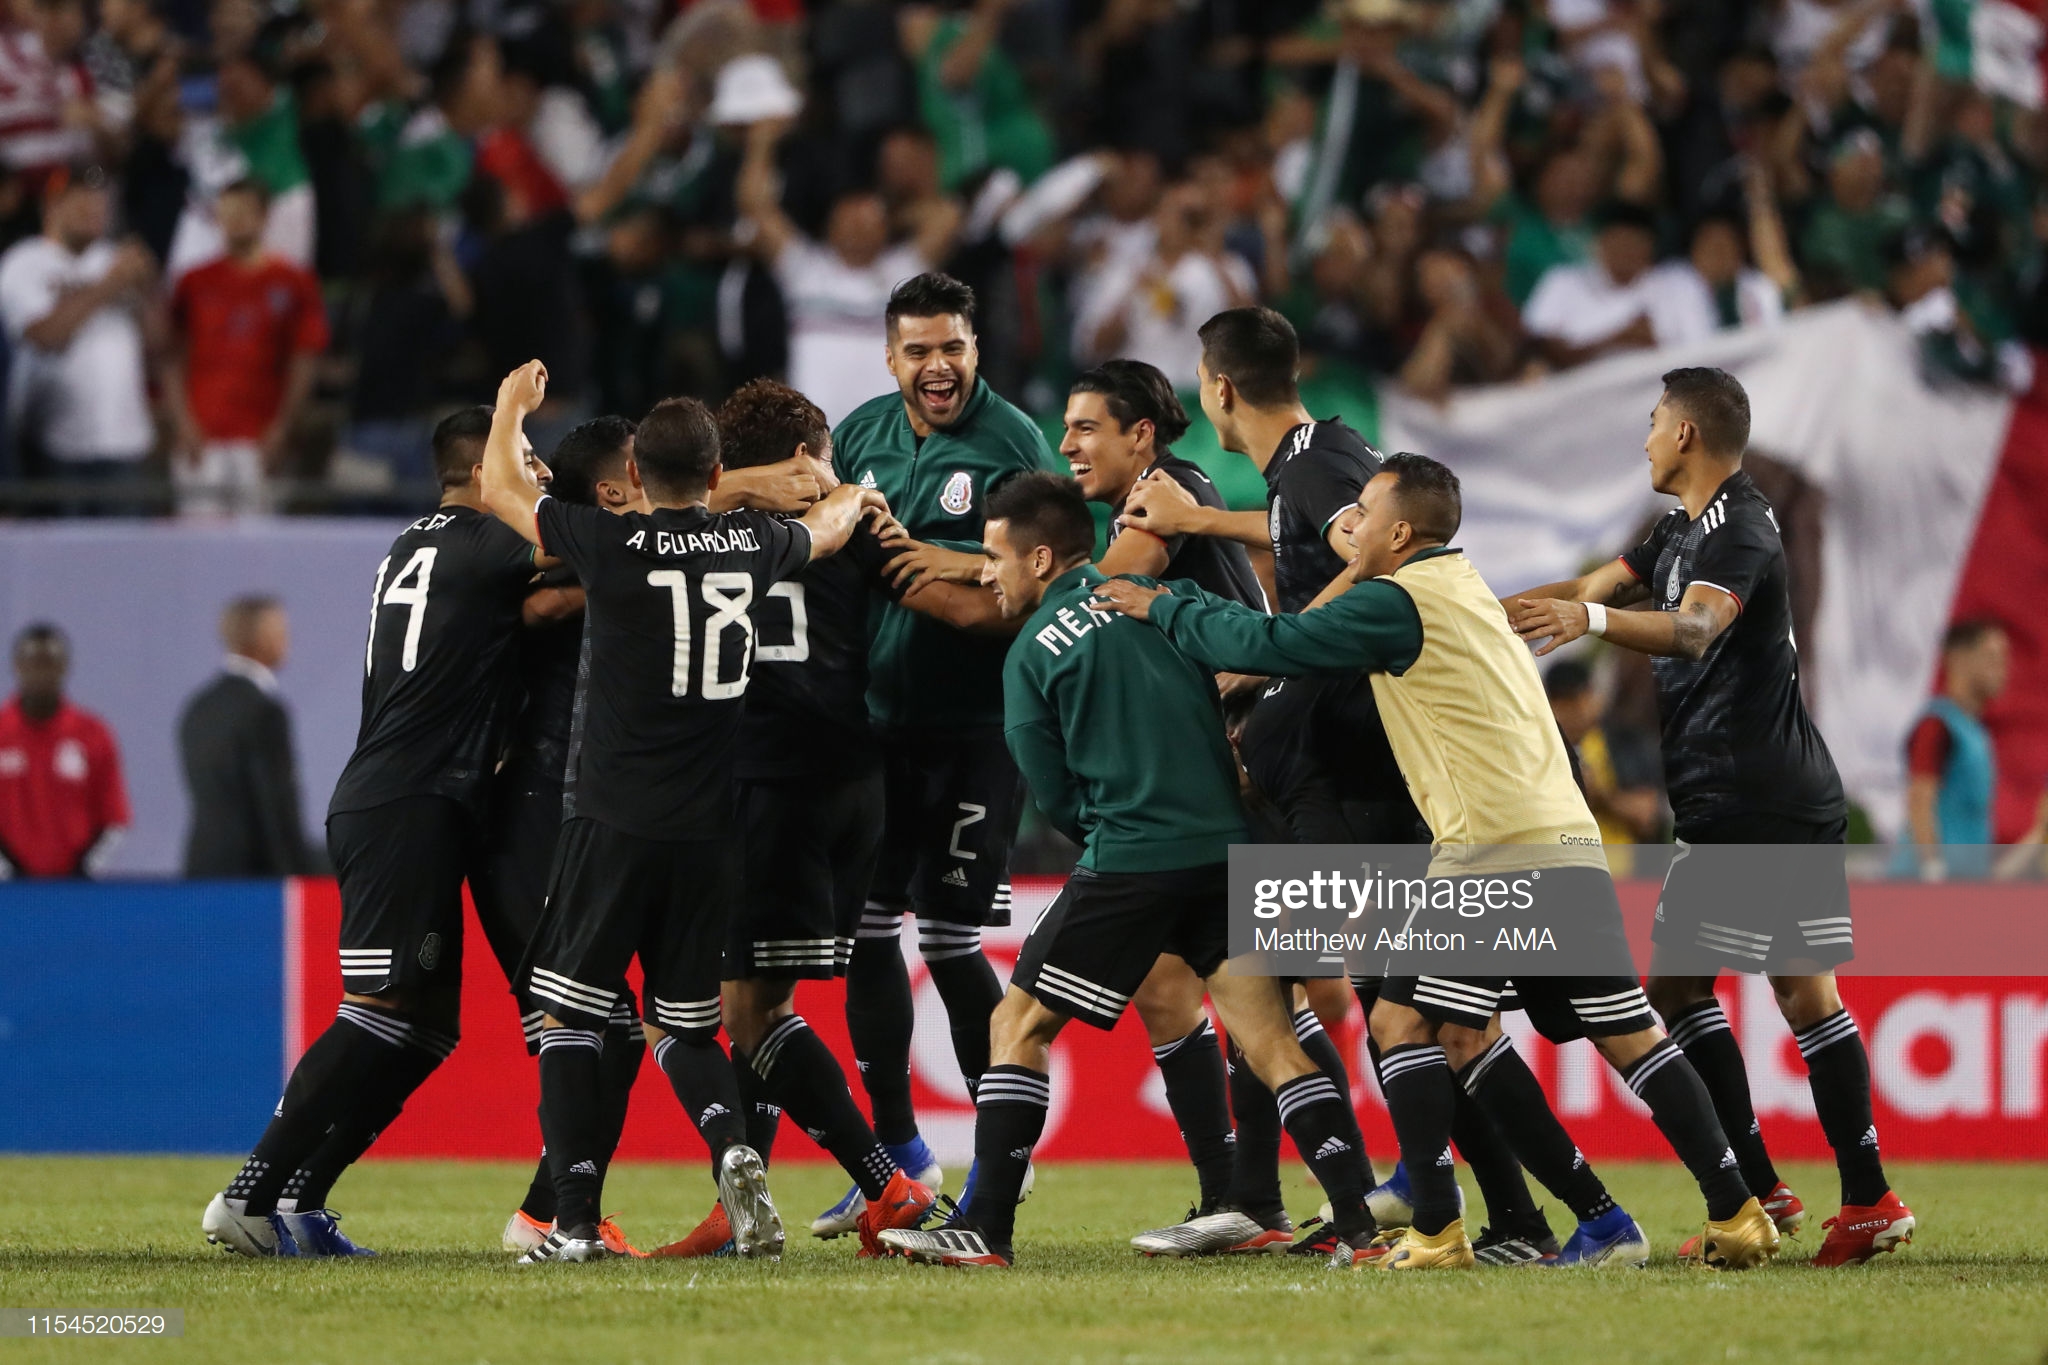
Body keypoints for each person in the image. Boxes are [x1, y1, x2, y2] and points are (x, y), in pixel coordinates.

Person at [1095, 454, 1778, 1272]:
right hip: (1557, 833)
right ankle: (1732, 1211)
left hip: (1492, 852)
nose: (1350, 529)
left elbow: (1273, 640)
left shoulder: (1397, 601)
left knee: (1401, 1023)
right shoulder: (1461, 583)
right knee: (1616, 1032)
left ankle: (1439, 1232)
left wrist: (1164, 606)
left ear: (1400, 530)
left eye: (1364, 514)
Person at [877, 473, 1374, 1269]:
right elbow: (1257, 653)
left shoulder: (1030, 653)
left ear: (1041, 559)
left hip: (1134, 858)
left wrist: (1119, 841)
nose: (989, 573)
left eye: (995, 557)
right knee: (1274, 1044)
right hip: (1228, 853)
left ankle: (987, 1228)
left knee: (1018, 1025)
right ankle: (1360, 1226)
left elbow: (1057, 794)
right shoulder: (1160, 600)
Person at [476, 362, 889, 1264]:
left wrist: (512, 405)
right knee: (690, 1020)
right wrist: (850, 490)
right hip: (709, 829)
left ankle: (574, 1222)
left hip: (614, 817)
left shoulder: (607, 544)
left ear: (638, 479)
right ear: (713, 479)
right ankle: (736, 1150)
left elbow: (501, 487)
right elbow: (820, 532)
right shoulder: (752, 546)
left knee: (569, 1015)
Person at [1505, 366, 1914, 1268]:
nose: (1646, 437)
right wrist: (1491, 621)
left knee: (1685, 993)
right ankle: (1854, 1194)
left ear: (1686, 434)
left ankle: (1772, 1192)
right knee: (1798, 991)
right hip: (1764, 792)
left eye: (1654, 422)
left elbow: (1691, 629)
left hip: (1749, 799)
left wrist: (1588, 619)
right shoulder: (1677, 529)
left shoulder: (1742, 526)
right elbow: (1593, 584)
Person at [201, 407, 548, 1260]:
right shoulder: (485, 540)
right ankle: (247, 1192)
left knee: (426, 1028)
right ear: (479, 474)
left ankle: (302, 1197)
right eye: (525, 460)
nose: (538, 476)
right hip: (410, 800)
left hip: (405, 796)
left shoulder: (411, 543)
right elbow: (600, 563)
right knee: (380, 1006)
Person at [815, 272, 1063, 1240]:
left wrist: (929, 555)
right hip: (873, 726)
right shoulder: (861, 433)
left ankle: (1000, 1155)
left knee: (950, 941)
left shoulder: (1011, 446)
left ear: (974, 351)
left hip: (969, 730)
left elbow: (1034, 579)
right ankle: (896, 1162)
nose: (935, 367)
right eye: (916, 350)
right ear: (890, 357)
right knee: (867, 934)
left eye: (951, 348)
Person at [738, 118, 960, 426]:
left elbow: (946, 217)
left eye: (867, 225)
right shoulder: (806, 271)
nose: (858, 232)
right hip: (818, 437)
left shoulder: (903, 274)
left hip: (886, 436)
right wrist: (761, 143)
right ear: (830, 229)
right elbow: (755, 207)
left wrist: (890, 215)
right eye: (849, 224)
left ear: (884, 230)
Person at [165, 179, 330, 517]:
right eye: (228, 211)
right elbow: (170, 356)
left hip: (260, 439)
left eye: (245, 210)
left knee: (258, 554)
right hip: (201, 438)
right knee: (198, 549)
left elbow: (304, 358)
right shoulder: (193, 282)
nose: (236, 219)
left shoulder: (293, 282)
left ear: (264, 215)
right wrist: (181, 422)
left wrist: (284, 427)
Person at [0, 163, 155, 514]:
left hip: (124, 443)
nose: (93, 207)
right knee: (57, 563)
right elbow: (46, 336)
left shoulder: (115, 259)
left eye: (99, 199)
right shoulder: (24, 262)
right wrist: (111, 284)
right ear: (51, 206)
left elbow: (160, 344)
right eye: (80, 198)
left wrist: (147, 289)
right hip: (55, 446)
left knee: (124, 563)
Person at [177, 596, 318, 877]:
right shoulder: (264, 712)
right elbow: (274, 804)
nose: (286, 640)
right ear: (262, 638)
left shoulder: (199, 707)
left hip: (202, 867)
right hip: (255, 876)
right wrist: (295, 872)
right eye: (281, 631)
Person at [0, 622, 129, 879]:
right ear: (16, 666)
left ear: (65, 667)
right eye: (33, 662)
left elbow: (114, 817)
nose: (41, 672)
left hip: (75, 889)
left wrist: (81, 871)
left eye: (50, 663)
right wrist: (9, 870)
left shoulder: (93, 733)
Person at [1899, 619, 2006, 880]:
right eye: (1992, 657)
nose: (2003, 668)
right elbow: (1920, 801)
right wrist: (1932, 870)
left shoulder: (1977, 733)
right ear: (1958, 659)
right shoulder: (1936, 726)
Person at [1544, 658, 1665, 876]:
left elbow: (1647, 815)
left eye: (1576, 700)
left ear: (1592, 697)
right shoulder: (1543, 748)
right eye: (1561, 703)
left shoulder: (1623, 740)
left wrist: (1601, 795)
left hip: (1625, 874)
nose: (1571, 712)